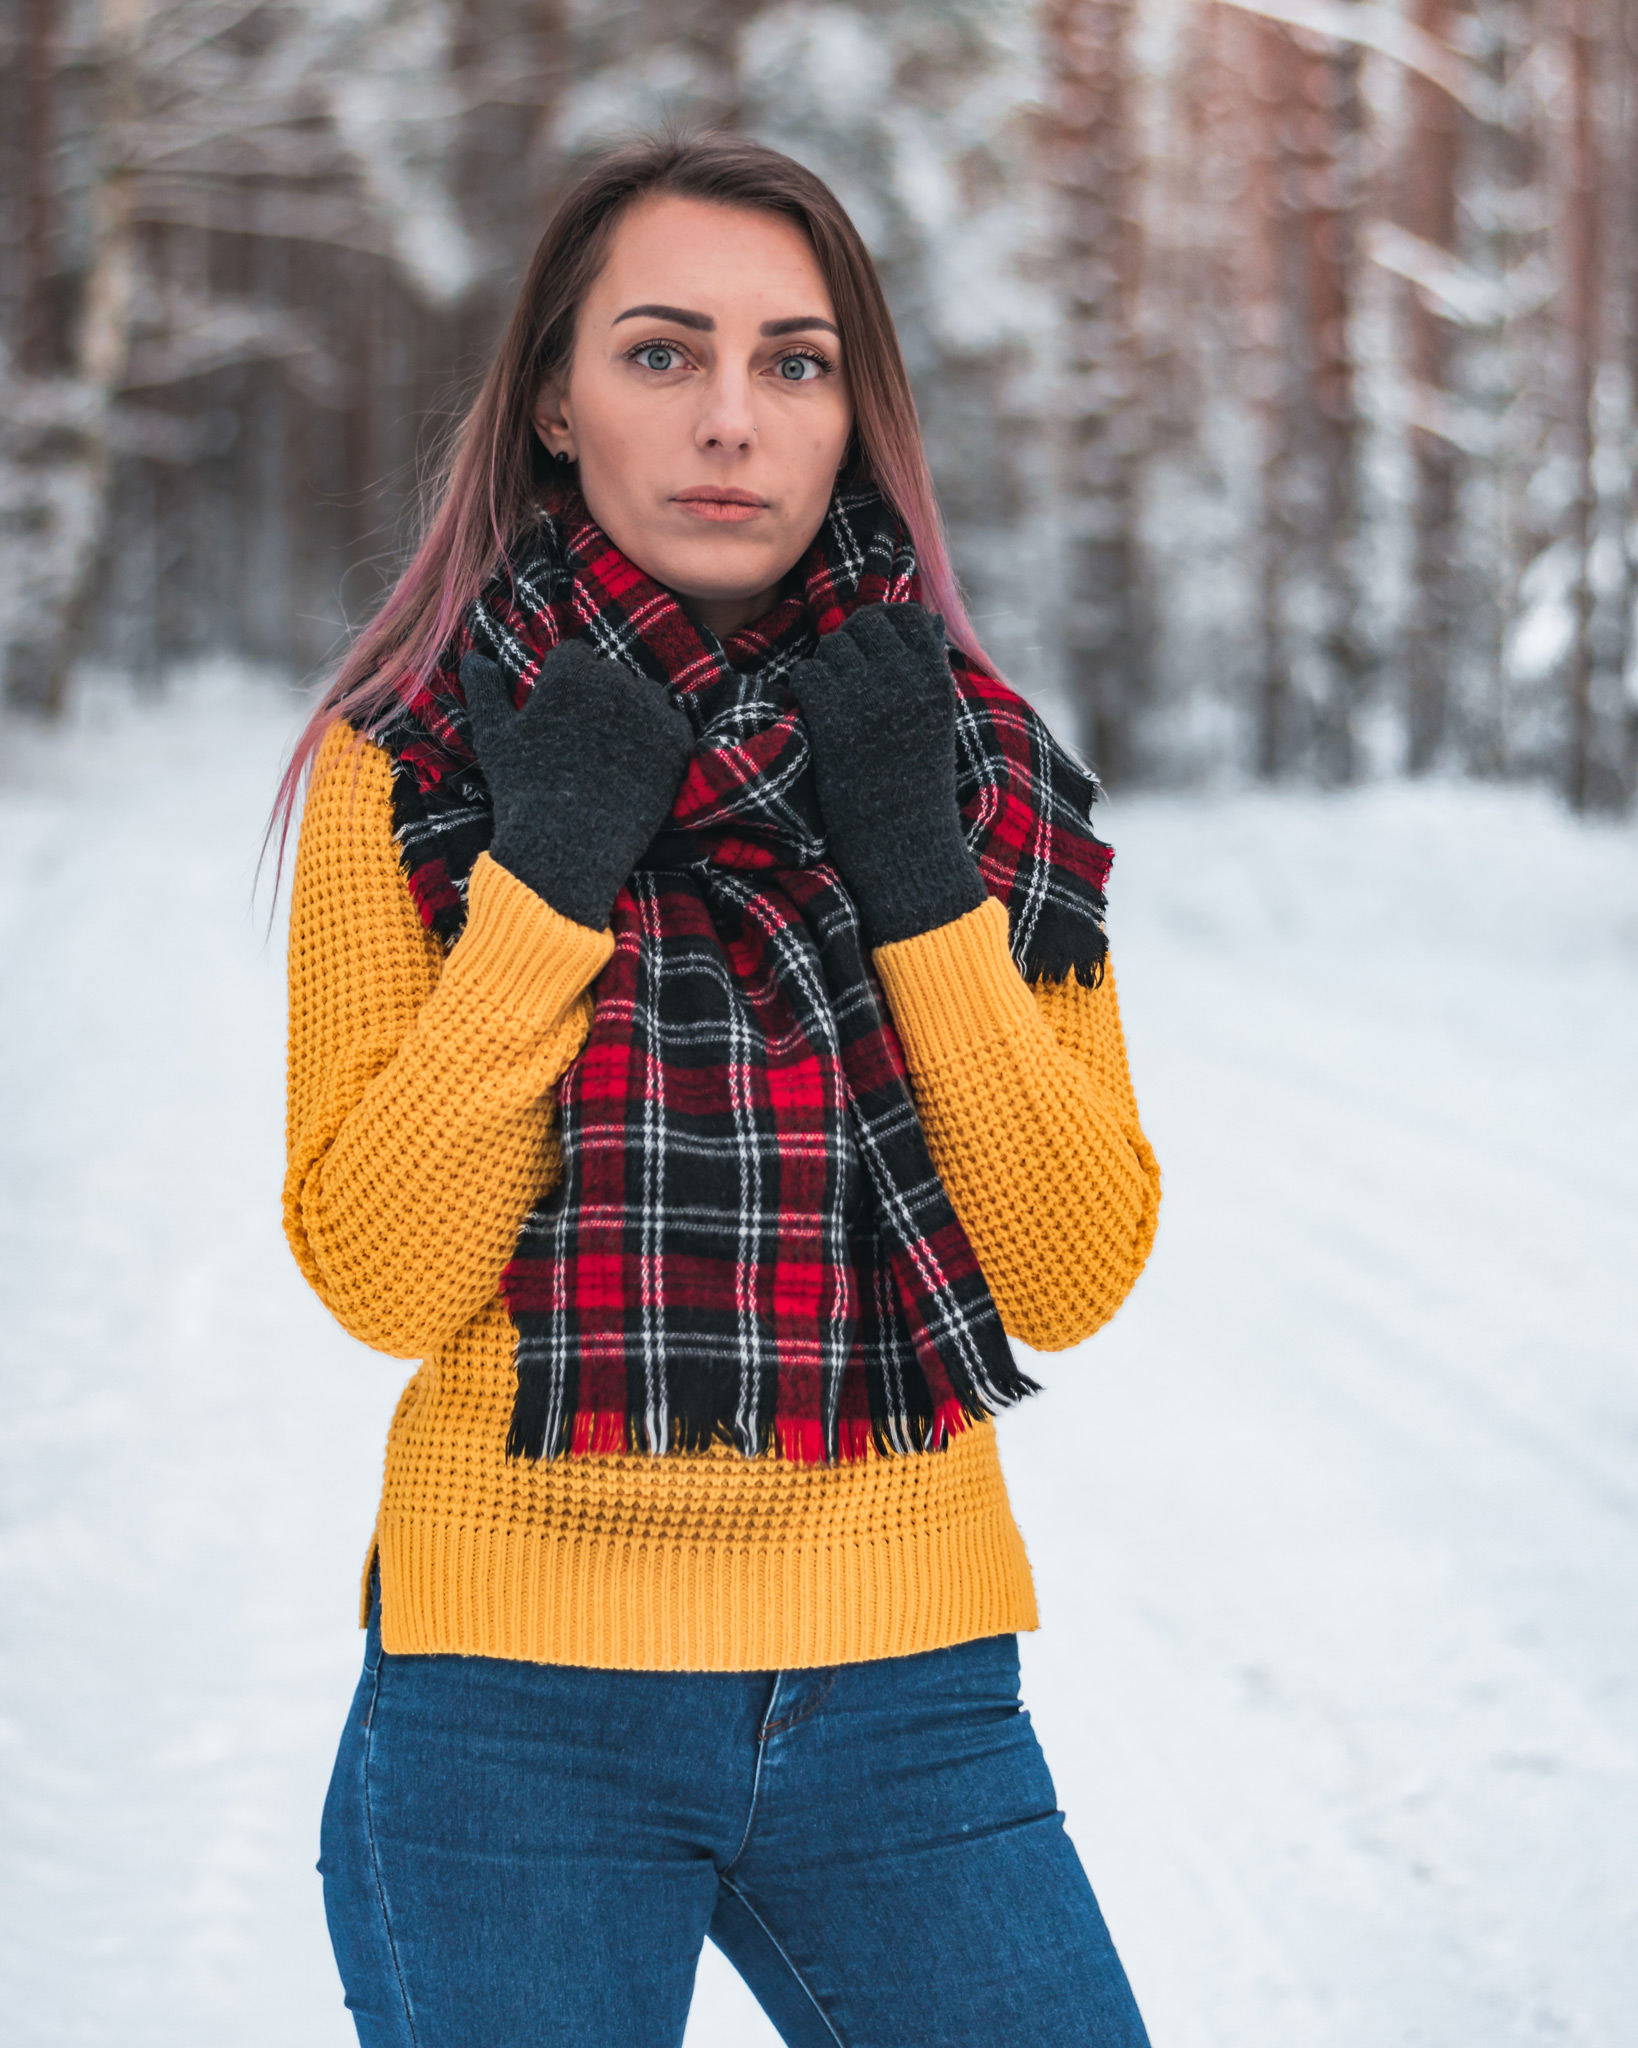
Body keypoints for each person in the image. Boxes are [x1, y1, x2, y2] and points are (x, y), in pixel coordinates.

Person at [273, 129, 1161, 2048]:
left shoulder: (976, 764)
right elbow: (384, 1277)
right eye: (662, 352)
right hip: (511, 1708)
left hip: (908, 1697)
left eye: (794, 360)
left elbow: (1073, 1266)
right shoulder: (412, 763)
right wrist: (546, 876)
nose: (730, 419)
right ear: (553, 404)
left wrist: (912, 874)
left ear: (853, 416)